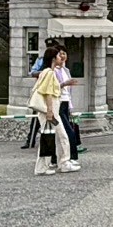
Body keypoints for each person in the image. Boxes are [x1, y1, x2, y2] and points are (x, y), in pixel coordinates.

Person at [29, 45, 63, 175]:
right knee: (48, 137)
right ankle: (41, 167)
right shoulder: (49, 73)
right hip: (49, 111)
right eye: (58, 55)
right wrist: (49, 111)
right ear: (53, 58)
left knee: (49, 136)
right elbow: (48, 93)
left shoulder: (46, 72)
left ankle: (45, 166)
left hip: (49, 111)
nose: (61, 57)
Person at [51, 48, 81, 172]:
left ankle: (64, 159)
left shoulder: (66, 70)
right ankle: (63, 159)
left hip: (65, 103)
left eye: (64, 53)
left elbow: (68, 92)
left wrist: (70, 106)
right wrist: (64, 84)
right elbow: (52, 88)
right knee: (64, 133)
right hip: (57, 104)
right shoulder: (51, 71)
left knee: (65, 133)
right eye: (60, 54)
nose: (62, 56)